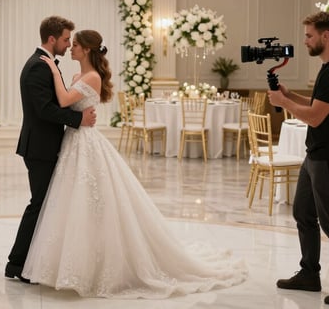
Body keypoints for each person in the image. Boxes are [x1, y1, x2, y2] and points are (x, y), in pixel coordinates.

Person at [21, 29, 247, 298]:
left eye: (76, 45)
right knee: (71, 202)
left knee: (92, 201)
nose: (71, 48)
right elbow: (67, 105)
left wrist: (53, 71)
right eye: (70, 43)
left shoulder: (91, 77)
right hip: (72, 141)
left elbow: (63, 100)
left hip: (85, 142)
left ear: (87, 50)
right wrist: (59, 75)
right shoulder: (74, 75)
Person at [267, 11, 329, 305]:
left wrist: (283, 102)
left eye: (309, 35)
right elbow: (316, 104)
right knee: (303, 213)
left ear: (326, 36)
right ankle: (309, 273)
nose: (305, 40)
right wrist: (290, 94)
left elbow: (314, 118)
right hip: (317, 155)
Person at [6, 16, 97, 283]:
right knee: (39, 205)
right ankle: (16, 264)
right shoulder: (38, 67)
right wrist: (79, 120)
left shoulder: (46, 65)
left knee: (46, 205)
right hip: (40, 148)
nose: (69, 45)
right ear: (52, 39)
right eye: (67, 39)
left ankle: (33, 262)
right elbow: (45, 110)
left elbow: (58, 102)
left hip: (47, 146)